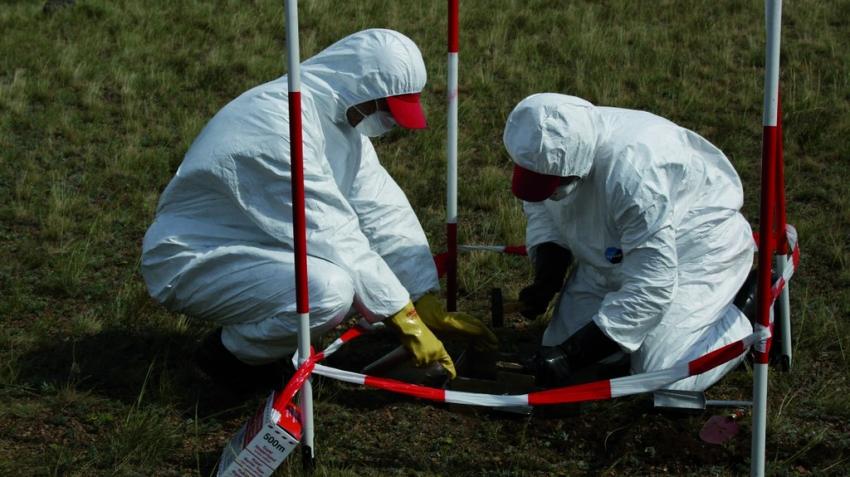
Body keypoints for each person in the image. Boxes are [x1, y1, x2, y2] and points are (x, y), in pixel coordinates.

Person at [141, 29, 496, 395]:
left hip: (261, 245)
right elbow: (330, 230)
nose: (386, 119)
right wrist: (403, 317)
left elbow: (380, 207)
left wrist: (423, 296)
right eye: (384, 107)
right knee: (328, 292)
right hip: (193, 257)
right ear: (358, 87)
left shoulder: (337, 122)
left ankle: (263, 348)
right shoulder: (278, 124)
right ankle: (226, 359)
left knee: (328, 282)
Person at [504, 93, 754, 400]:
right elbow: (543, 209)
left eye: (549, 184)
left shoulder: (634, 174)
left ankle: (745, 308)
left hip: (694, 246)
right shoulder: (544, 146)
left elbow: (652, 286)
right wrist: (547, 278)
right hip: (612, 251)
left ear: (575, 169)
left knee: (662, 374)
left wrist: (571, 355)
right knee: (557, 342)